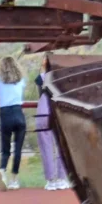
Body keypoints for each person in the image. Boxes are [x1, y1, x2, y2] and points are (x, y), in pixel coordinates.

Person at [0, 56, 26, 190]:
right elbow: (19, 95)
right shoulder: (21, 79)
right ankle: (14, 179)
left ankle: (2, 169)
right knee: (18, 148)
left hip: (5, 114)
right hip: (19, 113)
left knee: (5, 148)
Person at [34, 59, 70, 190]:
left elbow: (40, 86)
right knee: (62, 147)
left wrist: (43, 68)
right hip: (59, 113)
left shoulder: (42, 77)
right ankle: (62, 178)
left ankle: (51, 180)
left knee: (46, 147)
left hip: (43, 112)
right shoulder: (65, 79)